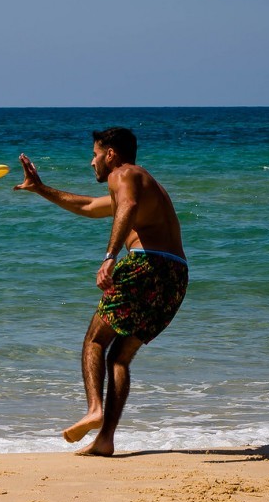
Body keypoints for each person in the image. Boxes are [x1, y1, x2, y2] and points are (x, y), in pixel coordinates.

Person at [13, 127, 188, 456]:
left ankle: (95, 408)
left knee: (95, 340)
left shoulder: (124, 174)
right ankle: (105, 440)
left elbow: (128, 206)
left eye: (95, 155)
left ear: (111, 154)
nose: (92, 162)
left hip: (145, 265)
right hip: (176, 277)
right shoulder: (143, 183)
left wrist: (110, 256)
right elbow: (90, 205)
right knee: (119, 358)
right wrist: (40, 188)